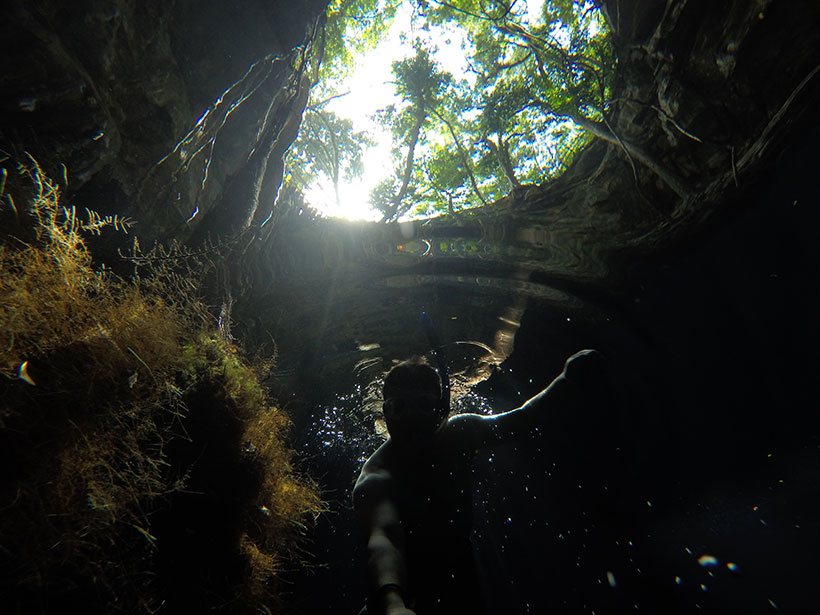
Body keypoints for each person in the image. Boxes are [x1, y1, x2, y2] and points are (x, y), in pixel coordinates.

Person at [353, 349, 607, 615]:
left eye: (423, 406)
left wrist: (567, 380)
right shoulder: (376, 479)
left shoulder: (460, 435)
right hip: (402, 597)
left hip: (460, 581)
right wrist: (392, 602)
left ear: (440, 409)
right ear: (385, 412)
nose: (410, 419)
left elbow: (521, 419)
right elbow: (384, 538)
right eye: (399, 408)